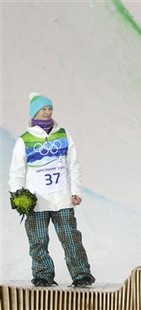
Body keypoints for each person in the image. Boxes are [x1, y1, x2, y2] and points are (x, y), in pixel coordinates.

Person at [8, 92, 95, 287]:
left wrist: (76, 191)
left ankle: (81, 274)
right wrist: (18, 196)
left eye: (49, 109)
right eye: (43, 109)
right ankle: (43, 275)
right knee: (38, 241)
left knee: (71, 238)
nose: (47, 112)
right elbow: (16, 172)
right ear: (34, 113)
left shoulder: (63, 135)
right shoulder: (25, 140)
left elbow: (73, 165)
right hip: (36, 201)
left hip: (62, 198)